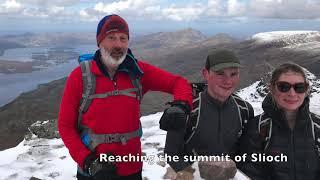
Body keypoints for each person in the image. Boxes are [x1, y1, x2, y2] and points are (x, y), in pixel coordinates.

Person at [58, 14, 193, 180]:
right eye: (111, 38)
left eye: (123, 38)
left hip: (131, 169)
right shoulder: (80, 76)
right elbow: (65, 126)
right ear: (99, 41)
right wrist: (89, 162)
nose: (118, 45)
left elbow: (179, 83)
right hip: (93, 172)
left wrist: (180, 106)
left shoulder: (138, 72)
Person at [162, 49, 254, 179]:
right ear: (206, 74)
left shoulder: (244, 110)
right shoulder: (186, 110)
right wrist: (191, 175)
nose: (228, 81)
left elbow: (245, 151)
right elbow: (172, 153)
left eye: (233, 74)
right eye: (220, 74)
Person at [239, 62, 320, 180]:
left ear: (306, 90)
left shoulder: (317, 127)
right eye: (284, 87)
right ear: (271, 88)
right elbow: (250, 173)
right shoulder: (258, 128)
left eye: (299, 87)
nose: (292, 93)